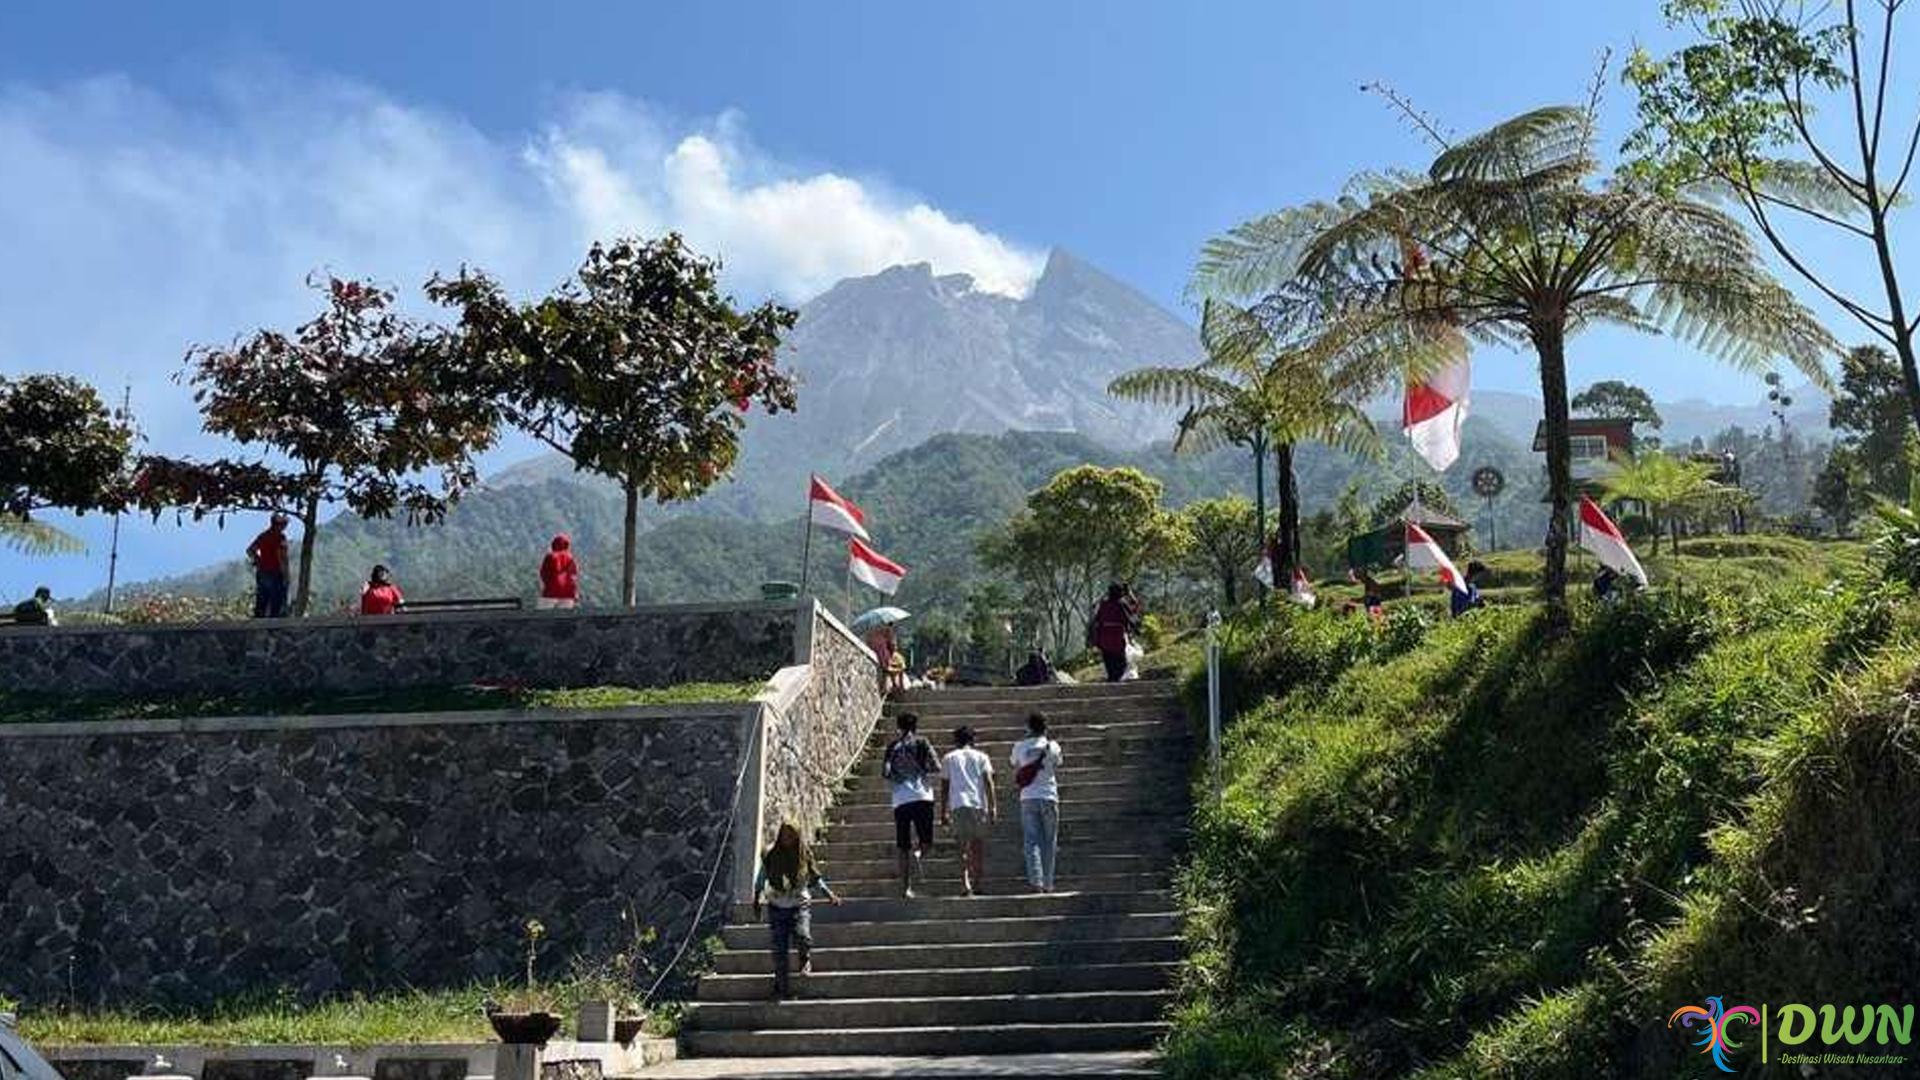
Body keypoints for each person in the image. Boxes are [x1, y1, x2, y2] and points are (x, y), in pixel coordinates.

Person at [751, 820, 841, 1000]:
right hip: (776, 904)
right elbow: (762, 878)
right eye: (784, 835)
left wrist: (829, 894)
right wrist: (756, 900)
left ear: (797, 836)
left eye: (791, 835)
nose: (787, 839)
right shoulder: (771, 854)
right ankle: (781, 987)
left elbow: (815, 878)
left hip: (799, 902)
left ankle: (804, 958)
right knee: (779, 949)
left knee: (802, 935)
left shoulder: (804, 854)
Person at [881, 712, 940, 898]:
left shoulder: (892, 747)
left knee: (903, 846)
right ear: (915, 727)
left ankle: (906, 888)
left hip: (901, 800)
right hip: (923, 796)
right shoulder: (922, 742)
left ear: (898, 727)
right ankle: (919, 855)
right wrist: (921, 769)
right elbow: (936, 766)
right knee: (926, 843)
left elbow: (885, 772)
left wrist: (899, 777)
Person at [939, 726, 997, 897]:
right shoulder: (982, 757)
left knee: (961, 847)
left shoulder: (949, 758)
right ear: (973, 740)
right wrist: (993, 807)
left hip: (957, 805)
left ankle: (965, 884)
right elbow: (988, 782)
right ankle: (977, 883)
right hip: (977, 804)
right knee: (977, 846)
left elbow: (944, 786)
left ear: (956, 740)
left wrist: (943, 811)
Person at [1011, 712, 1064, 894]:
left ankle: (1036, 882)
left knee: (1031, 841)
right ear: (1046, 727)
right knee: (1049, 841)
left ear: (1028, 727)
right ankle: (1048, 883)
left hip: (1028, 797)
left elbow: (1014, 764)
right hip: (1049, 795)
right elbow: (1058, 763)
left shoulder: (1019, 746)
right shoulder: (1053, 746)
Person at [246, 512, 292, 618]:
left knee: (261, 604)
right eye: (284, 523)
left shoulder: (263, 536)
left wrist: (259, 561)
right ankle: (273, 631)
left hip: (262, 574)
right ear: (278, 524)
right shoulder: (280, 538)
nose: (286, 526)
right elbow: (282, 558)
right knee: (276, 606)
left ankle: (257, 628)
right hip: (276, 574)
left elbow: (250, 550)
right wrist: (286, 576)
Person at [1088, 583, 1137, 684]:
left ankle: (1111, 680)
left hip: (1104, 638)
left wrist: (1095, 639)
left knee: (1109, 663)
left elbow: (1097, 620)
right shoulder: (1121, 604)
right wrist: (1130, 594)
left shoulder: (1103, 604)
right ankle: (1115, 682)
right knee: (1120, 663)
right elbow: (1131, 614)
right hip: (1117, 637)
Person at [538, 534, 579, 610]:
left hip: (550, 592)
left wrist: (548, 585)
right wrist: (575, 592)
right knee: (564, 620)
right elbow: (573, 577)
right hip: (568, 593)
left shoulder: (550, 556)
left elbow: (543, 574)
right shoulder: (571, 558)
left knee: (541, 618)